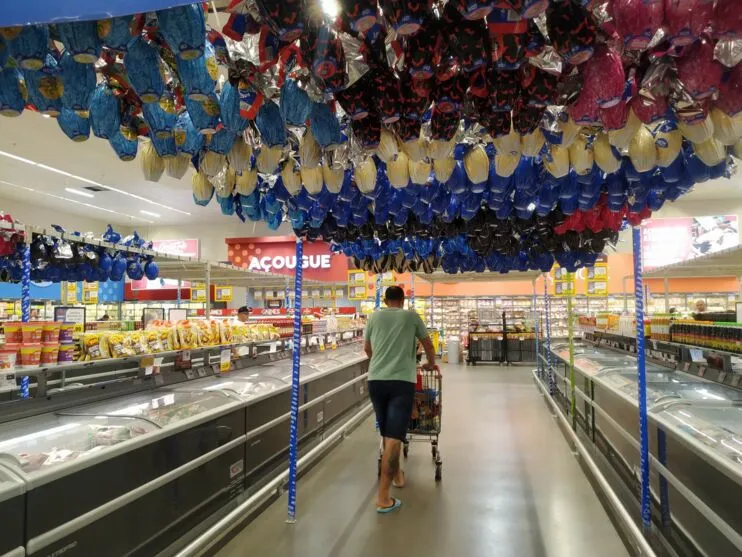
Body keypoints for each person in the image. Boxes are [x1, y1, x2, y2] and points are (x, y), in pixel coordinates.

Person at [364, 285, 438, 514]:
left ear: (385, 300)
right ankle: (383, 498)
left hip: (376, 380)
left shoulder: (374, 317)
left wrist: (381, 361)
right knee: (395, 437)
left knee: (387, 433)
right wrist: (429, 362)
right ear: (403, 300)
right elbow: (428, 344)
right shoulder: (411, 316)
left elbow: (368, 349)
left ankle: (397, 475)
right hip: (401, 382)